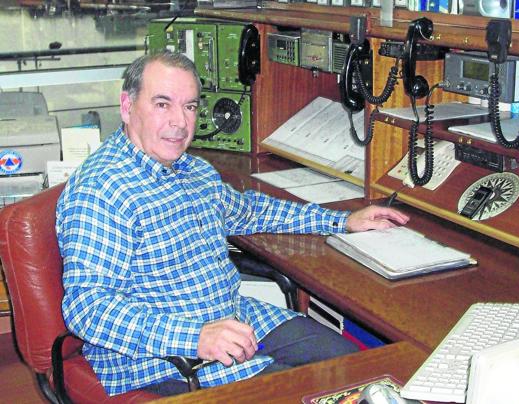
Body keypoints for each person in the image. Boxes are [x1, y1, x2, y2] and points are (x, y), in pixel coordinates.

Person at [56, 51, 409, 397]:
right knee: (308, 392)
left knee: (357, 368)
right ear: (127, 106)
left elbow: (251, 211)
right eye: (162, 104)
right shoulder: (102, 190)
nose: (179, 122)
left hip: (233, 316)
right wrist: (195, 336)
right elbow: (87, 306)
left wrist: (342, 220)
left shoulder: (192, 171)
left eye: (190, 106)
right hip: (162, 355)